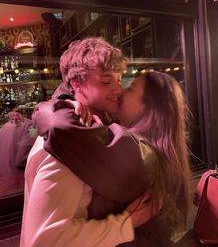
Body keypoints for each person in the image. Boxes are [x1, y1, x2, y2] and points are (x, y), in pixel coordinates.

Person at [20, 37, 154, 247]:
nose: (118, 90)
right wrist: (125, 224)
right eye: (106, 81)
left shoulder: (86, 130)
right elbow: (44, 240)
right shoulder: (68, 142)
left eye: (119, 80)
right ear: (76, 84)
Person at [0, 109, 37, 196]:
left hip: (3, 180)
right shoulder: (30, 125)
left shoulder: (5, 126)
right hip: (18, 183)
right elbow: (21, 159)